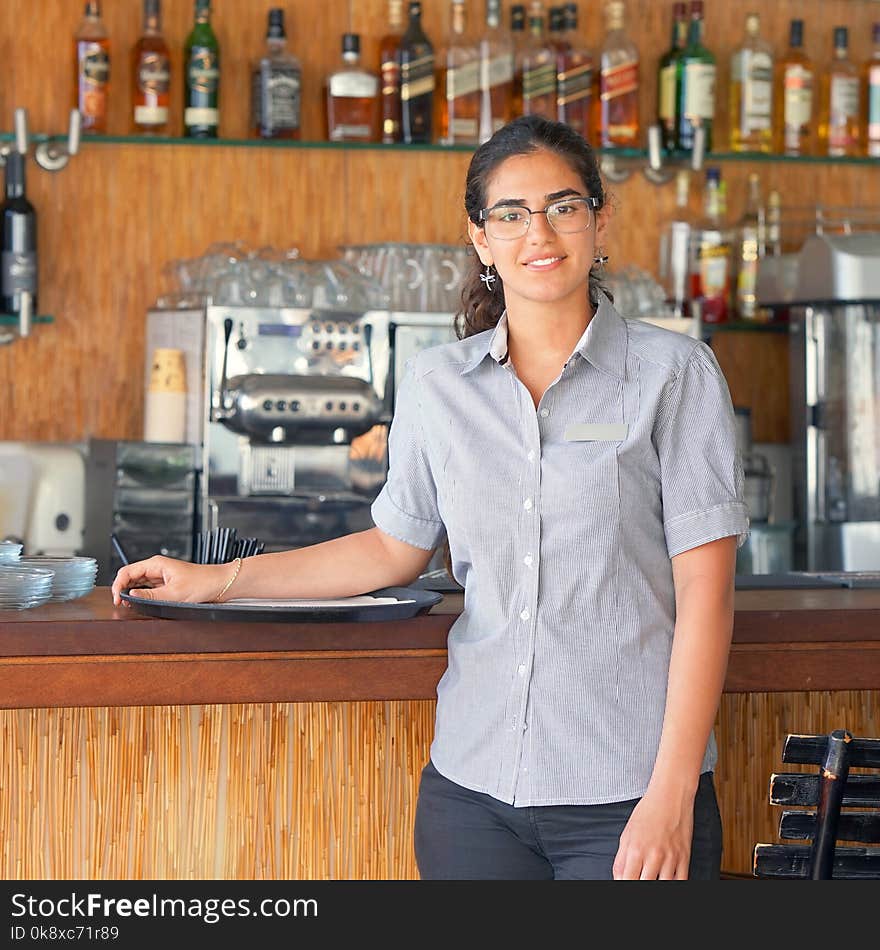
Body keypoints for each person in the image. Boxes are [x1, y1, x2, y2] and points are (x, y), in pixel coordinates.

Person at [112, 114, 749, 881]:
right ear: (480, 239)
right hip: (472, 796)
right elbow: (392, 547)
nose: (538, 232)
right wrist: (215, 581)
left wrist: (671, 796)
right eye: (509, 214)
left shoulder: (673, 374)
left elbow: (705, 594)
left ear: (599, 218)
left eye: (563, 206)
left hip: (627, 796)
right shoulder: (437, 383)